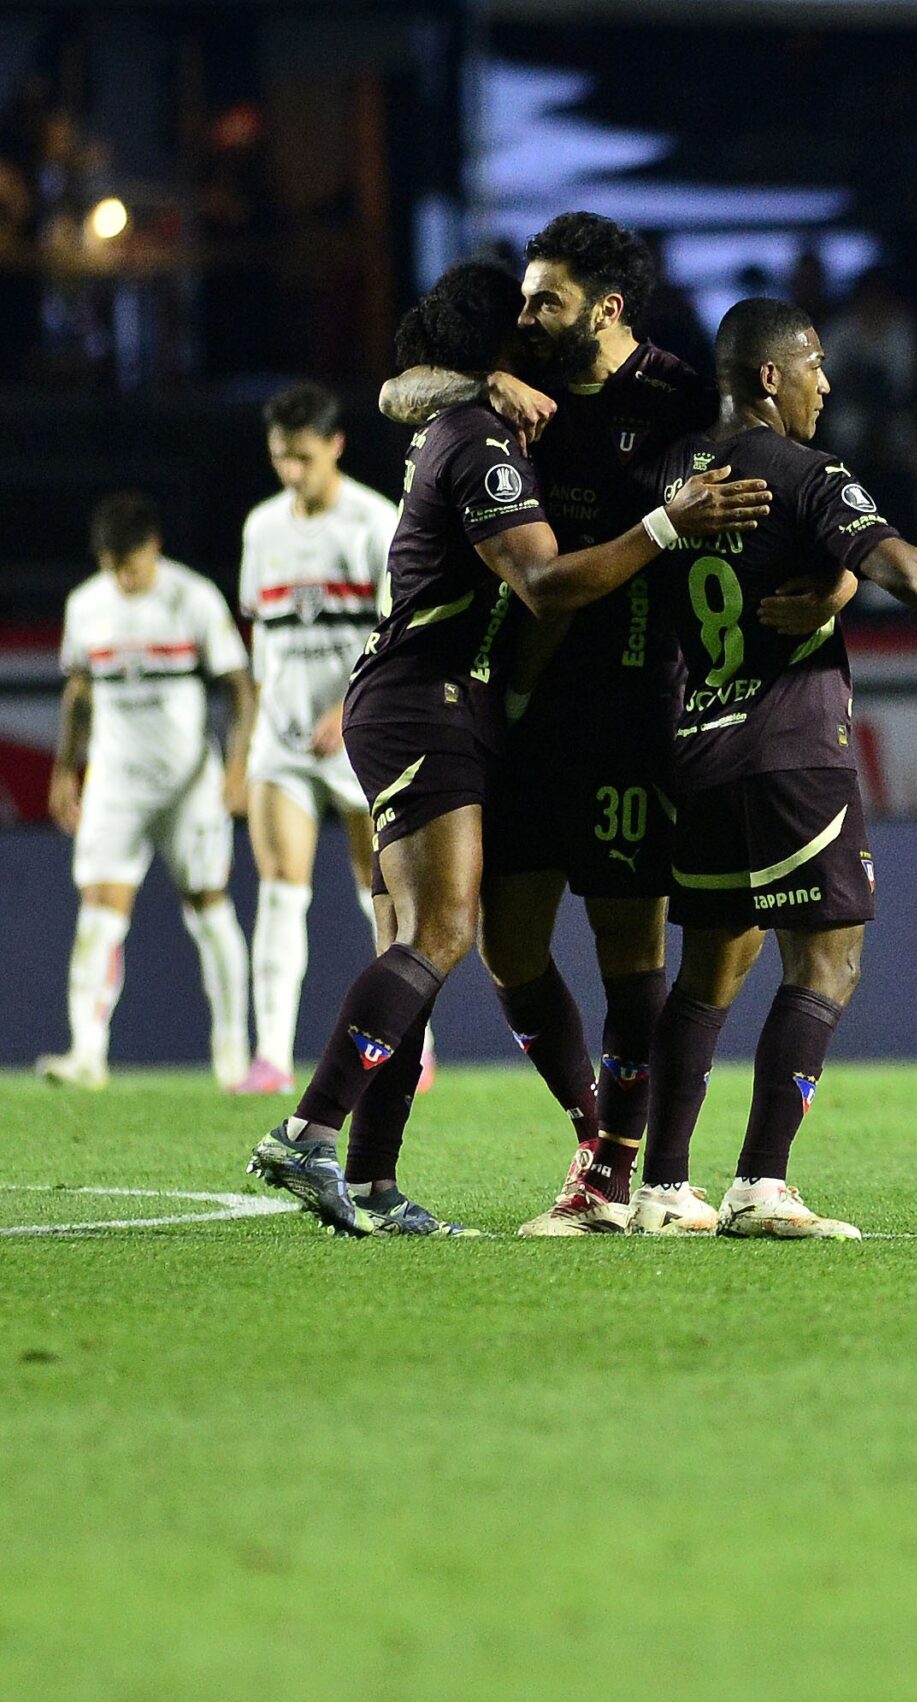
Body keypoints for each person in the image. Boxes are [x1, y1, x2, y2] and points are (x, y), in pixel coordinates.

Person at [244, 259, 767, 1237]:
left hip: (439, 699)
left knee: (412, 945)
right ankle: (309, 1133)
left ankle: (373, 1178)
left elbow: (405, 385)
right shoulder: (479, 432)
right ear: (492, 355)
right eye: (518, 326)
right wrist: (665, 522)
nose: (533, 332)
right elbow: (542, 585)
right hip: (429, 697)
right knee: (444, 933)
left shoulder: (513, 412)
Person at [382, 212, 720, 1237]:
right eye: (524, 298)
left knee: (630, 951)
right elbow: (399, 388)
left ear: (606, 310)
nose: (525, 315)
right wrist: (477, 383)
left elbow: (768, 473)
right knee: (508, 949)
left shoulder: (677, 397)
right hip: (519, 709)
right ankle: (595, 1133)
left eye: (547, 299)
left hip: (630, 705)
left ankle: (614, 1174)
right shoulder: (515, 371)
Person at [636, 297, 917, 1237]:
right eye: (813, 367)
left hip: (698, 747)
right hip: (791, 751)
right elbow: (905, 571)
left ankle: (662, 1186)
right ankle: (760, 1181)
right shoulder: (803, 471)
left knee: (709, 967)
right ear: (769, 376)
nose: (825, 384)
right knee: (829, 959)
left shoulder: (674, 474)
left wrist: (828, 581)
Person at [40, 492, 254, 1090]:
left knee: (208, 907)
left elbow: (239, 688)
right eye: (109, 565)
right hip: (115, 783)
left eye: (127, 565)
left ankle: (233, 1052)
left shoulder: (192, 598)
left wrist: (237, 769)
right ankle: (87, 1053)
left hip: (189, 785)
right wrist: (65, 770)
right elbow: (78, 692)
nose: (119, 577)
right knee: (100, 913)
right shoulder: (86, 604)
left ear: (152, 548)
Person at [231, 381, 401, 1094]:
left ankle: (405, 1042)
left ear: (334, 445)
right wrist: (253, 730)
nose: (291, 472)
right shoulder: (262, 527)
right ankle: (269, 1054)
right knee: (278, 889)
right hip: (282, 739)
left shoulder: (372, 522)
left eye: (302, 457)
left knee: (384, 894)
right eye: (280, 459)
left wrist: (346, 709)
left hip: (355, 733)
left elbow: (394, 631)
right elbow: (259, 631)